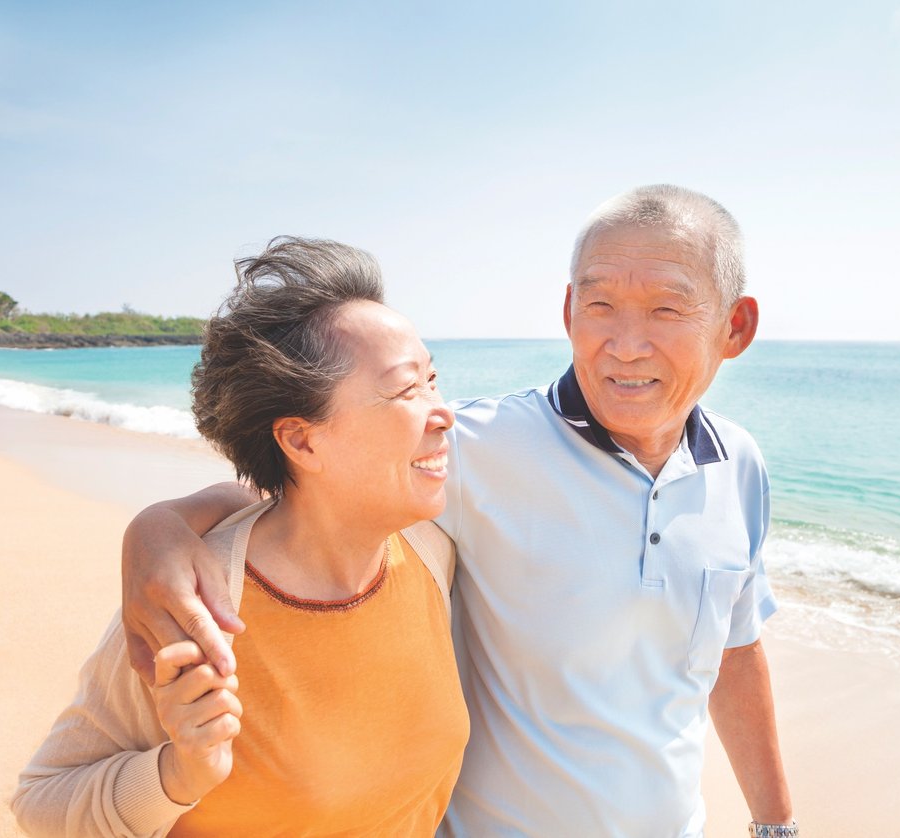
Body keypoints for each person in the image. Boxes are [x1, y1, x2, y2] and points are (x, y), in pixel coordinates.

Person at [121, 185, 796, 837]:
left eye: (667, 311)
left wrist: (775, 825)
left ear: (734, 327)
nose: (624, 343)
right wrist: (162, 526)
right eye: (600, 305)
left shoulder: (739, 466)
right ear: (568, 312)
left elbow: (735, 652)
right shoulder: (477, 445)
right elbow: (318, 487)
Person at [12, 237, 470, 836]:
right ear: (302, 441)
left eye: (432, 380)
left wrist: (169, 516)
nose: (444, 412)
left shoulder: (432, 551)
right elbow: (42, 803)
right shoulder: (198, 602)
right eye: (407, 389)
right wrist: (178, 775)